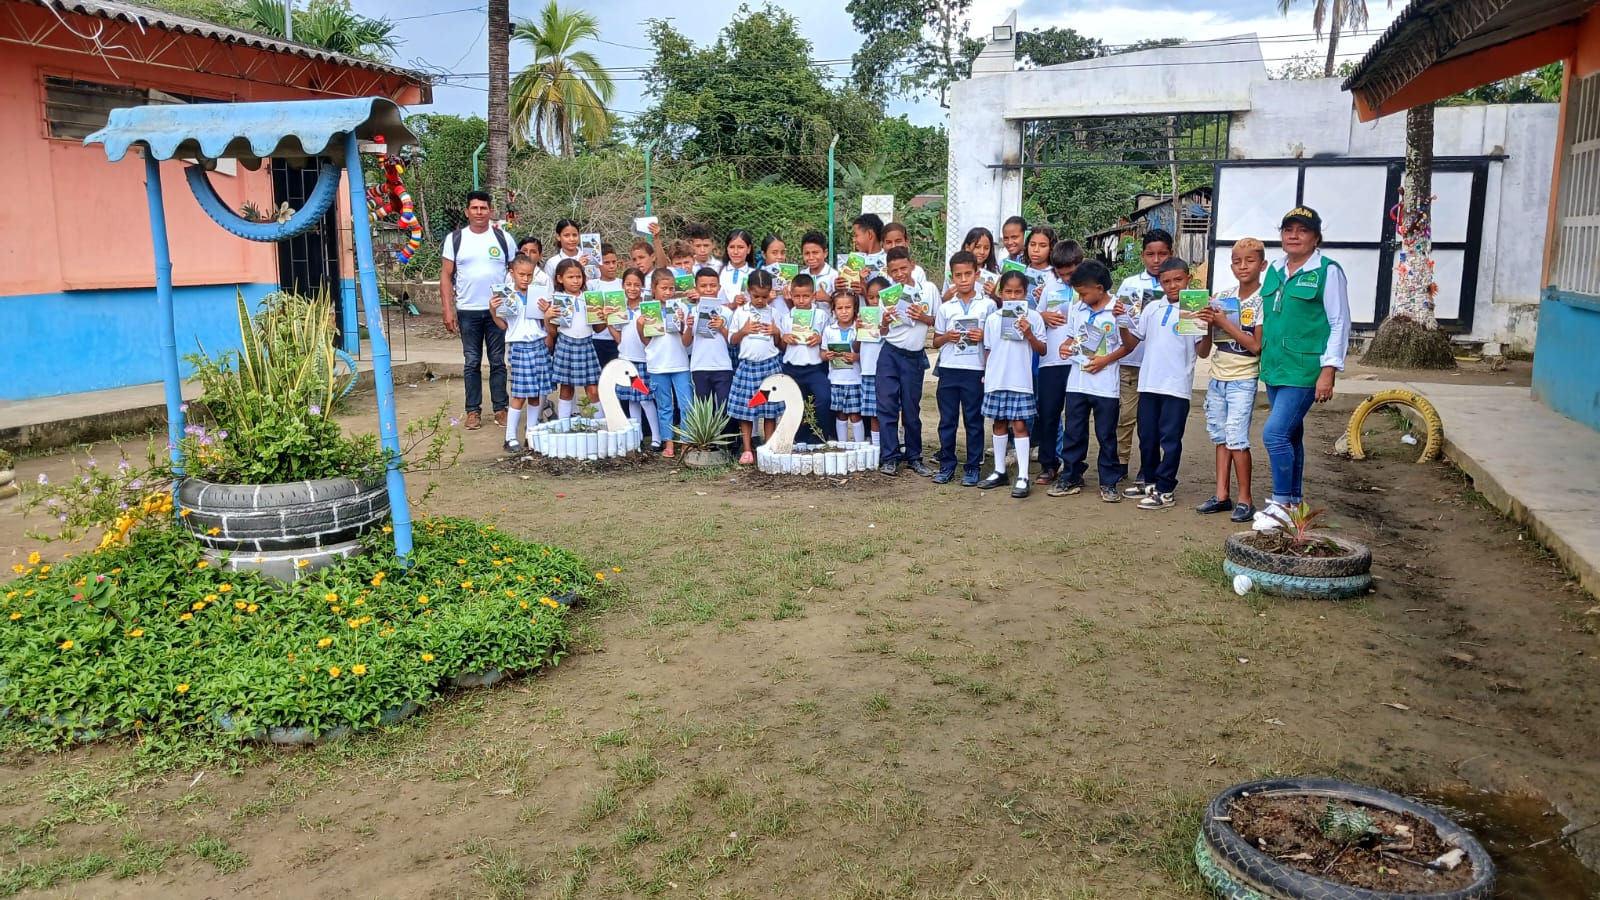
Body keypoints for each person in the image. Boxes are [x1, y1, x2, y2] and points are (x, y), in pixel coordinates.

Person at [1255, 207, 1351, 528]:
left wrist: (1329, 370)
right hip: (1275, 365)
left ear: (1316, 238)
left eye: (1302, 230)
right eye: (1288, 230)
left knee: (1274, 433)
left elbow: (1339, 322)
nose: (1294, 236)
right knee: (1291, 434)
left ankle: (1281, 504)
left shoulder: (1327, 271)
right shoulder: (1275, 269)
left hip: (1305, 368)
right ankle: (1295, 503)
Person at [1129, 257, 1212, 510]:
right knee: (1147, 437)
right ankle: (1150, 481)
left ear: (1188, 279)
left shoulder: (1194, 308)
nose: (1172, 285)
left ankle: (1165, 490)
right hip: (1149, 383)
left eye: (1178, 280)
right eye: (1166, 281)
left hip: (1176, 385)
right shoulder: (1152, 307)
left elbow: (1203, 352)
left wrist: (1208, 328)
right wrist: (1121, 320)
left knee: (1170, 439)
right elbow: (1135, 339)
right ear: (1159, 282)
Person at [1195, 238, 1267, 523]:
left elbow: (1256, 346)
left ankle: (1246, 500)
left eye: (1249, 261)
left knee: (1237, 439)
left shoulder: (1264, 300)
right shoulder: (1222, 297)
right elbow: (1204, 351)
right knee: (1220, 437)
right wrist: (1206, 324)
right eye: (1237, 261)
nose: (1242, 266)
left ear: (1262, 264)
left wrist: (1225, 323)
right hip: (1217, 376)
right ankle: (1221, 495)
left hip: (1243, 378)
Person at [1054, 260, 1139, 501]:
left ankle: (1109, 481)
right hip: (1077, 382)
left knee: (1106, 434)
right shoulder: (1078, 308)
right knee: (1074, 432)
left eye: (1083, 293)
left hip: (1105, 385)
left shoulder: (1118, 309)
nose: (1080, 298)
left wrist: (1105, 360)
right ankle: (1071, 476)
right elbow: (1070, 338)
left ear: (1099, 288)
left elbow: (1129, 345)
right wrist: (1064, 347)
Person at [440, 190, 512, 430]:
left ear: (490, 211)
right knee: (471, 362)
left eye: (483, 208)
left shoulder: (503, 238)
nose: (479, 212)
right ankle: (473, 411)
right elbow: (446, 276)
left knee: (497, 361)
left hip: (497, 311)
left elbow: (516, 272)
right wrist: (447, 310)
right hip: (467, 311)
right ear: (467, 212)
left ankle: (501, 409)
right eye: (475, 208)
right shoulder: (455, 239)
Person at [1115, 228, 1174, 496]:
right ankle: (1121, 462)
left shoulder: (1176, 286)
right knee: (1126, 417)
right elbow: (1120, 320)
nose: (1156, 260)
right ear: (1142, 256)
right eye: (1150, 254)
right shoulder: (1130, 284)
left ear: (1171, 254)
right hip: (1131, 360)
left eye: (1162, 254)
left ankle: (1148, 468)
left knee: (1154, 423)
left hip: (1161, 366)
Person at [979, 271, 1046, 498]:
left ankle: (1023, 475)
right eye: (1008, 291)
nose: (1013, 296)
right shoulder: (993, 319)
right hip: (997, 379)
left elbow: (1042, 350)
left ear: (1026, 293)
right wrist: (986, 374)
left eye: (1018, 292)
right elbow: (989, 349)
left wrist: (1029, 333)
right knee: (998, 423)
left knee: (1019, 425)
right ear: (1001, 293)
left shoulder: (1034, 318)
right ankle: (1000, 470)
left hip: (1020, 380)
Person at [931, 250, 996, 486]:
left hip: (974, 370)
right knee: (947, 420)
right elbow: (935, 341)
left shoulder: (988, 305)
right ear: (952, 277)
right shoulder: (946, 308)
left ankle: (973, 467)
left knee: (974, 421)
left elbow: (994, 340)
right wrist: (948, 336)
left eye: (968, 274)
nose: (964, 279)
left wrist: (983, 335)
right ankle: (947, 464)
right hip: (949, 369)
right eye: (958, 275)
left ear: (977, 274)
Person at [877, 247, 935, 477]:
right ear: (888, 271)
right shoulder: (887, 295)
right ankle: (889, 457)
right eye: (894, 271)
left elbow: (938, 320)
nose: (900, 274)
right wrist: (884, 321)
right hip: (890, 354)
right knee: (887, 407)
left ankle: (914, 457)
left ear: (912, 264)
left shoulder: (928, 289)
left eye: (903, 268)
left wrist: (922, 317)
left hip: (913, 357)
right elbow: (882, 331)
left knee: (911, 410)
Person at [488, 253, 553, 452]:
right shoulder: (506, 295)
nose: (525, 279)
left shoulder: (538, 294)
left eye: (529, 275)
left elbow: (544, 323)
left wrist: (547, 311)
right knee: (519, 394)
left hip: (539, 344)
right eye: (521, 274)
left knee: (536, 393)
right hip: (519, 346)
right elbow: (503, 325)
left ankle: (530, 435)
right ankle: (510, 437)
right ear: (512, 273)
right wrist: (493, 310)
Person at [1034, 240, 1083, 485]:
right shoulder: (1049, 288)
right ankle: (1048, 464)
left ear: (1080, 264)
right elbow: (1035, 318)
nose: (1066, 278)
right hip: (1050, 361)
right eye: (1061, 274)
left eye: (1070, 273)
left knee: (1076, 417)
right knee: (1048, 414)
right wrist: (1042, 315)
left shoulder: (1089, 287)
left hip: (1078, 361)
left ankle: (1073, 467)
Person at [726, 269, 784, 464]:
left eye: (764, 297)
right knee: (746, 410)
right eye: (756, 296)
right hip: (748, 367)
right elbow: (732, 340)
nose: (760, 300)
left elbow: (779, 345)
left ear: (770, 293)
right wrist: (744, 331)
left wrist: (776, 332)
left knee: (770, 409)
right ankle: (747, 449)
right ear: (749, 291)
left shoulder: (774, 313)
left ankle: (769, 447)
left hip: (770, 365)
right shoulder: (740, 312)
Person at [641, 267, 693, 457]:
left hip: (680, 364)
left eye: (671, 288)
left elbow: (686, 341)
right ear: (653, 288)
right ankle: (668, 442)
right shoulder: (647, 309)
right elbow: (646, 341)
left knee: (686, 404)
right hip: (657, 364)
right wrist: (640, 325)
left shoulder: (681, 307)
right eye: (664, 288)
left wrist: (684, 324)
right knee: (664, 405)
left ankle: (686, 441)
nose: (668, 292)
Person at [779, 274, 834, 444]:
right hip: (792, 368)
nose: (801, 300)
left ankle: (820, 434)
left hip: (815, 368)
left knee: (824, 398)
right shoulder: (787, 317)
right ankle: (800, 438)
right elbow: (781, 345)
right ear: (791, 295)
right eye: (797, 296)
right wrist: (784, 338)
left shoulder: (821, 316)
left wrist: (820, 339)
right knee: (797, 403)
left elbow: (830, 338)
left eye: (805, 296)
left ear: (813, 295)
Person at [547, 259, 603, 421]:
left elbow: (598, 328)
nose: (575, 281)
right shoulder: (558, 300)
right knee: (566, 390)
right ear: (560, 279)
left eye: (579, 277)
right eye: (570, 277)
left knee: (593, 390)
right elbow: (553, 332)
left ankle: (600, 425)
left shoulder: (590, 298)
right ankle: (564, 426)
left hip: (586, 345)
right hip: (565, 345)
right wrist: (547, 318)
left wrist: (604, 318)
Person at [611, 267, 661, 445]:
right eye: (628, 284)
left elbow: (653, 336)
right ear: (623, 286)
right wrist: (609, 322)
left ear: (643, 287)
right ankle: (636, 438)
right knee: (632, 401)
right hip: (626, 360)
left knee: (645, 400)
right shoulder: (619, 308)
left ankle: (656, 437)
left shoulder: (648, 308)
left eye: (636, 285)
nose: (632, 288)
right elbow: (619, 338)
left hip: (643, 361)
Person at [685, 267, 733, 409]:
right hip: (699, 366)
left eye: (712, 285)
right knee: (705, 410)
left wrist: (721, 328)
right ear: (696, 288)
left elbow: (733, 341)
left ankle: (726, 426)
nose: (708, 289)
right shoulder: (692, 312)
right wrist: (688, 327)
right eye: (703, 286)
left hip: (723, 366)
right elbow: (686, 343)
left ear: (719, 287)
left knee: (725, 407)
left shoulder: (727, 312)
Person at [823, 290, 864, 443]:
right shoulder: (829, 330)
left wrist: (856, 357)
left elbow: (865, 353)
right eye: (840, 308)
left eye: (848, 307)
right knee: (840, 414)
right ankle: (843, 445)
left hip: (855, 380)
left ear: (855, 309)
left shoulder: (858, 329)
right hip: (836, 380)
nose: (844, 312)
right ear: (834, 310)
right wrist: (826, 355)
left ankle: (859, 446)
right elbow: (822, 352)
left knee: (855, 415)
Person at [860, 275, 891, 449]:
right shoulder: (863, 316)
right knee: (873, 413)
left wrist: (884, 324)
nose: (874, 301)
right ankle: (876, 448)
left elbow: (888, 335)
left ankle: (891, 446)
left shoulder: (891, 316)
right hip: (868, 369)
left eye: (879, 297)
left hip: (886, 371)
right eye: (870, 297)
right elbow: (856, 346)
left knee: (888, 411)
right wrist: (858, 330)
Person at [589, 243, 622, 367]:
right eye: (606, 263)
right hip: (598, 338)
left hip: (618, 338)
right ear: (598, 265)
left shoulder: (623, 284)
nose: (611, 266)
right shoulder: (592, 285)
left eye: (614, 262)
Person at [719, 230, 757, 308]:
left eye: (740, 247)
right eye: (731, 247)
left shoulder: (754, 274)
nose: (736, 252)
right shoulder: (718, 271)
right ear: (727, 249)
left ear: (748, 249)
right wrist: (731, 305)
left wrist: (748, 303)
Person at [799, 230, 838, 296]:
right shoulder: (801, 275)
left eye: (815, 253)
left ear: (825, 253)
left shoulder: (834, 276)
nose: (811, 257)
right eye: (807, 253)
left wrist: (828, 299)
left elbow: (840, 300)